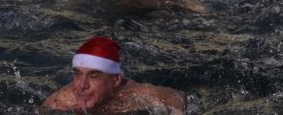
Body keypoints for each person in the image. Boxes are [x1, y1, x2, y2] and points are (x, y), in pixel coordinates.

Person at [41, 36, 184, 114]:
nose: (82, 86)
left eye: (94, 75)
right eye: (78, 74)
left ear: (115, 80)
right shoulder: (62, 101)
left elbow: (174, 96)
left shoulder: (133, 96)